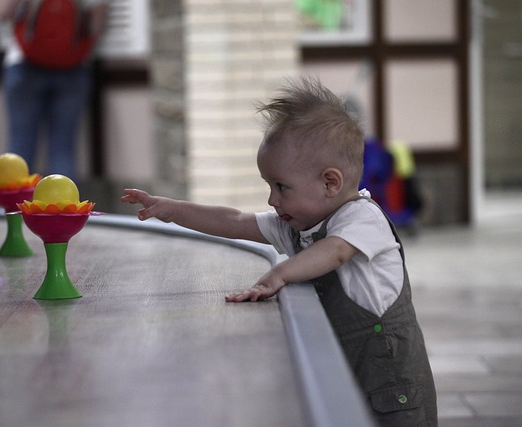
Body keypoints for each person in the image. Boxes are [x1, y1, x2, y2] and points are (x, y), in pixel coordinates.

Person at [121, 77, 437, 426]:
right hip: (348, 376)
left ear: (330, 183)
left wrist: (279, 273)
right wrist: (174, 210)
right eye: (270, 186)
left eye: (281, 187)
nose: (273, 199)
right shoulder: (298, 225)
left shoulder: (362, 219)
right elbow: (236, 221)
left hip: (393, 390)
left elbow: (334, 252)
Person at [0, 0, 108, 180]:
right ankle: (62, 206)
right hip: (72, 69)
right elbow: (97, 24)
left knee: (20, 148)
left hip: (24, 65)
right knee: (63, 149)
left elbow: (4, 12)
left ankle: (15, 206)